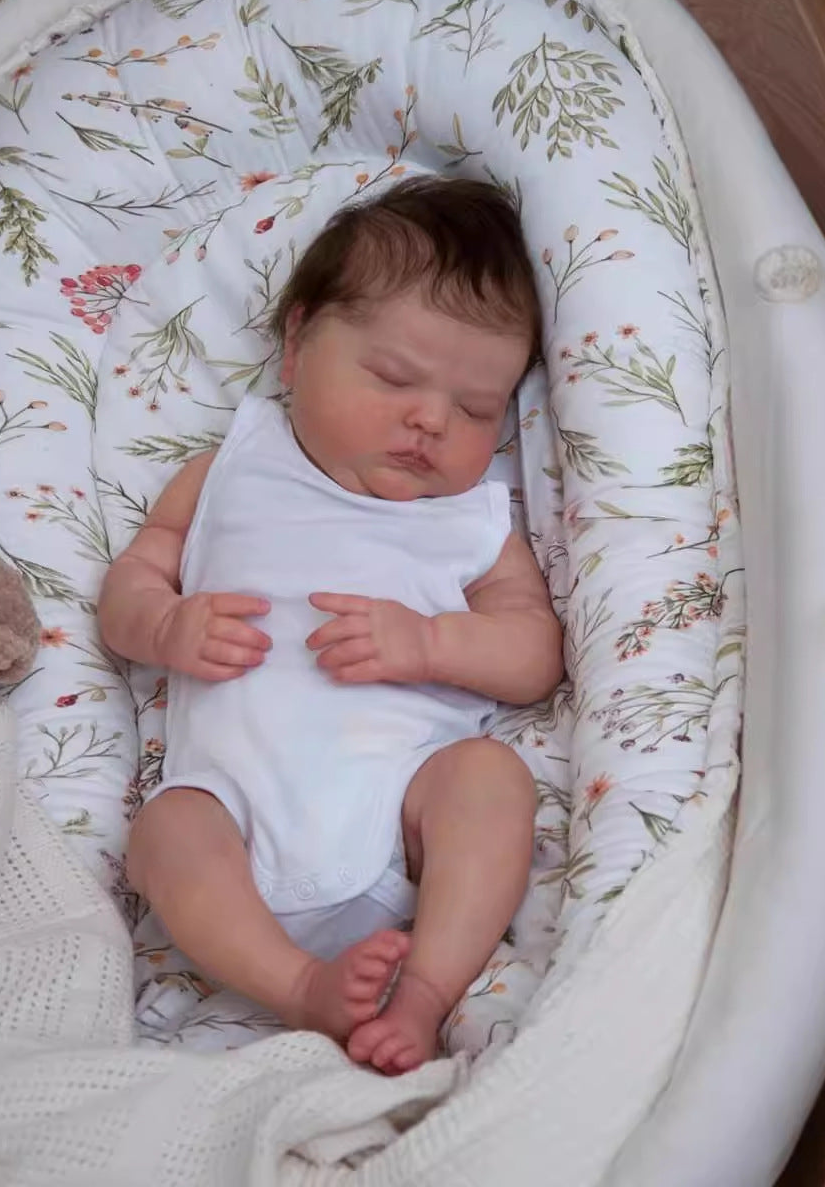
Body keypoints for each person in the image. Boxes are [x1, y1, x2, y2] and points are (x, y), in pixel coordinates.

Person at [98, 176, 563, 1074]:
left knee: (489, 778)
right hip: (233, 819)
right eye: (393, 377)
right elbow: (132, 583)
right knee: (166, 829)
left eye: (477, 409)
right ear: (297, 344)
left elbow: (535, 652)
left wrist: (431, 641)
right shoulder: (231, 469)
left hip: (401, 825)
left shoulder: (468, 521)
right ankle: (300, 986)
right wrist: (163, 625)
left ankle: (424, 993)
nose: (431, 420)